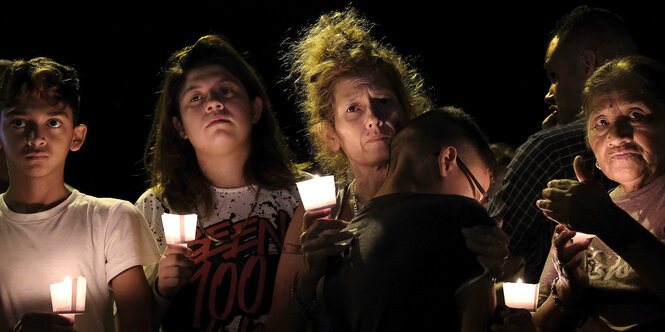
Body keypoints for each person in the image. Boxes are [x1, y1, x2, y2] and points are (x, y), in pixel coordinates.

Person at [266, 8, 509, 331]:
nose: (373, 118)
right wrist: (310, 277)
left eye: (383, 101)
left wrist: (491, 268)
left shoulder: (448, 204)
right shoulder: (318, 215)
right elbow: (278, 327)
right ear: (331, 134)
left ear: (405, 111)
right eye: (353, 109)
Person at [135, 34, 305, 331]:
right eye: (196, 98)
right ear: (179, 127)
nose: (213, 103)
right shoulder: (157, 206)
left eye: (226, 91)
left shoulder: (301, 196)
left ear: (255, 109)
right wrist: (162, 290)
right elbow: (128, 322)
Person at [0, 57, 159, 332]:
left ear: (77, 136)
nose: (36, 137)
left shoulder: (112, 220)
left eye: (52, 122)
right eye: (18, 122)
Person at [488, 5, 637, 283]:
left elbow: (491, 248)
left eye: (554, 77)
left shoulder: (550, 151)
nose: (548, 94)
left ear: (588, 65)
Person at [322, 106, 497, 332]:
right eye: (478, 192)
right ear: (447, 160)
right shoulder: (461, 214)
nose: (480, 204)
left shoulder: (343, 242)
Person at [534, 55, 665, 331]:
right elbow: (540, 321)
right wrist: (570, 286)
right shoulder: (587, 209)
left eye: (636, 114)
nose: (617, 136)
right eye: (602, 122)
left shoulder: (595, 210)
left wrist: (607, 220)